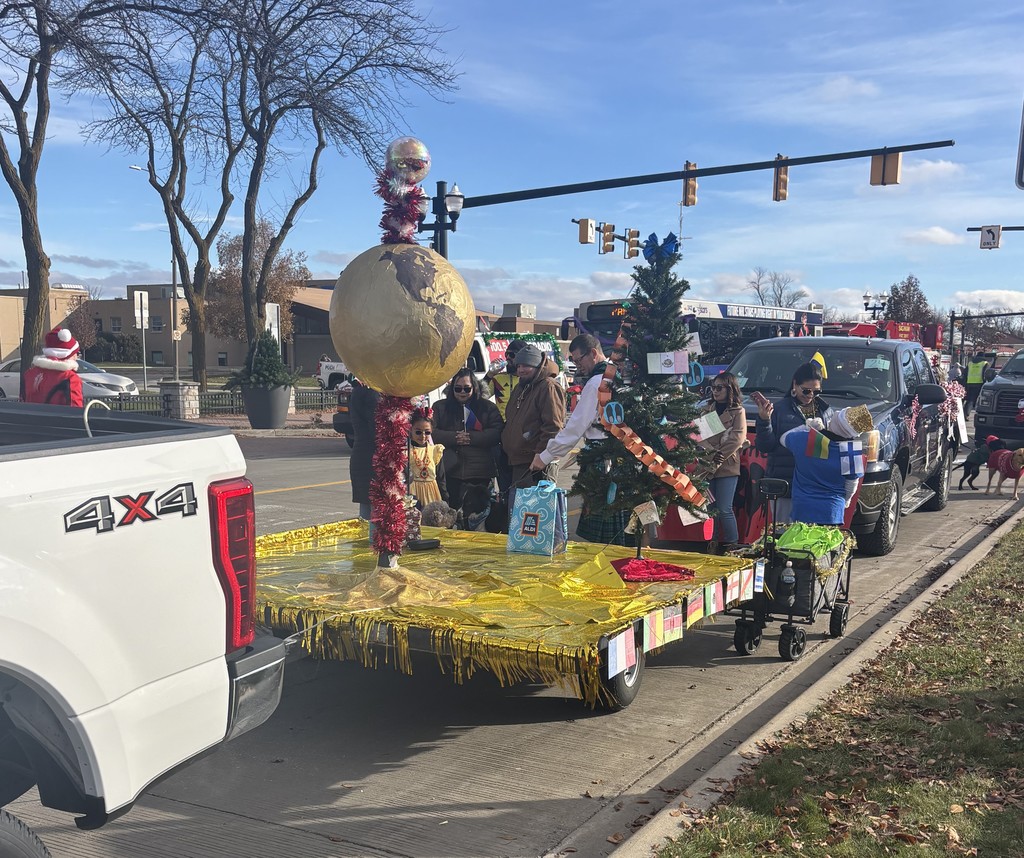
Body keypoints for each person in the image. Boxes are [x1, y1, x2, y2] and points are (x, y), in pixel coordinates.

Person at [529, 333, 631, 545]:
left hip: (601, 459)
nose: (577, 366)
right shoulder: (617, 376)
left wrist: (545, 456)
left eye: (578, 360)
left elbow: (575, 428)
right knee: (615, 531)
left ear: (593, 353)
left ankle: (602, 572)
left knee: (601, 534)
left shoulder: (596, 382)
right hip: (620, 456)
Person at [753, 361, 835, 523]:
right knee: (783, 535)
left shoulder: (825, 411)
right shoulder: (779, 410)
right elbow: (765, 446)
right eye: (806, 391)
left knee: (809, 538)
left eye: (816, 392)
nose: (810, 395)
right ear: (795, 385)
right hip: (785, 485)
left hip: (815, 486)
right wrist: (764, 421)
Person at [779, 405, 874, 525]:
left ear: (835, 421)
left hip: (803, 508)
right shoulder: (851, 452)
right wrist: (846, 501)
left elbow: (783, 438)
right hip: (832, 511)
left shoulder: (807, 439)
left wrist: (807, 427)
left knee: (802, 542)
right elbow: (852, 485)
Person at [432, 368, 503, 523]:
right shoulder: (439, 407)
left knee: (480, 515)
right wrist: (454, 437)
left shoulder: (487, 407)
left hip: (480, 471)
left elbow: (497, 432)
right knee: (451, 512)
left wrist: (472, 438)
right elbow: (430, 431)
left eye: (467, 388)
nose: (462, 392)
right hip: (450, 470)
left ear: (474, 388)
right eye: (458, 388)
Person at [501, 342, 565, 505]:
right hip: (519, 462)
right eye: (519, 365)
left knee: (536, 518)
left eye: (526, 366)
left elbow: (553, 426)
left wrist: (541, 455)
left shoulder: (548, 387)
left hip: (536, 465)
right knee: (522, 518)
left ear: (538, 365)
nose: (521, 370)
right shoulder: (522, 386)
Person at [698, 372, 748, 552]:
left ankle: (732, 545)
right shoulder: (707, 409)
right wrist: (712, 453)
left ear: (730, 388)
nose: (715, 391)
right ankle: (712, 543)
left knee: (724, 508)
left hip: (727, 466)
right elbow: (700, 436)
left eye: (720, 388)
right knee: (710, 509)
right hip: (707, 464)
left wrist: (719, 455)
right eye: (713, 387)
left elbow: (737, 438)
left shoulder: (738, 411)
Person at [23, 327, 84, 407]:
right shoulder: (70, 378)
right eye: (75, 353)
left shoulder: (29, 374)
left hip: (31, 419)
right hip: (58, 419)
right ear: (67, 355)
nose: (76, 357)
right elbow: (75, 412)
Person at [348, 379, 380, 520]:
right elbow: (376, 428)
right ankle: (372, 540)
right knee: (374, 510)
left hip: (363, 454)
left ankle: (369, 539)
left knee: (367, 508)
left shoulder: (361, 390)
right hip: (371, 456)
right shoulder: (370, 393)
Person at [407, 408, 447, 507]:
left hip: (432, 494)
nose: (423, 436)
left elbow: (441, 478)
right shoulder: (405, 451)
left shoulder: (435, 450)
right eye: (418, 432)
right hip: (413, 496)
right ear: (410, 430)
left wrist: (445, 497)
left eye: (427, 432)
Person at [964, 352, 989, 416]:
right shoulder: (985, 363)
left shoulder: (970, 363)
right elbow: (985, 374)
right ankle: (966, 414)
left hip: (969, 383)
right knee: (974, 399)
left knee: (969, 399)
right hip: (979, 383)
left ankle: (965, 413)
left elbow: (965, 373)